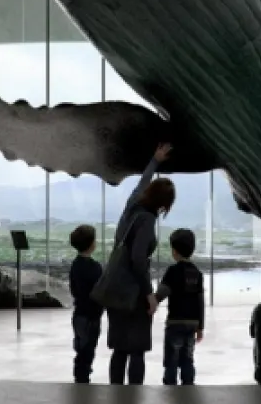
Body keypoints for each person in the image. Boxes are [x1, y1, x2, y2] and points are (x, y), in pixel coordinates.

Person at [91, 143, 175, 385]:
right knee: (137, 349)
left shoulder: (133, 205)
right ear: (164, 204)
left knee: (119, 350)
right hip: (133, 295)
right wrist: (149, 294)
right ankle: (133, 396)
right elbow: (138, 259)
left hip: (114, 289)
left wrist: (155, 160)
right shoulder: (147, 221)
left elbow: (142, 182)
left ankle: (117, 394)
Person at [156, 228, 205, 385]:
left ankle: (170, 389)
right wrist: (200, 327)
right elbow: (200, 302)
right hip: (192, 323)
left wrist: (152, 302)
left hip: (175, 322)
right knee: (188, 359)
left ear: (174, 251)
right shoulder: (197, 273)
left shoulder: (173, 271)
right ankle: (188, 386)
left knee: (171, 360)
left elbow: (162, 293)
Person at [67, 224, 104, 383]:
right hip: (92, 315)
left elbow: (74, 289)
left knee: (81, 347)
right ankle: (83, 375)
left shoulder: (75, 265)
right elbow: (101, 290)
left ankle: (80, 375)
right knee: (88, 348)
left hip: (79, 313)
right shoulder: (95, 267)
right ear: (91, 244)